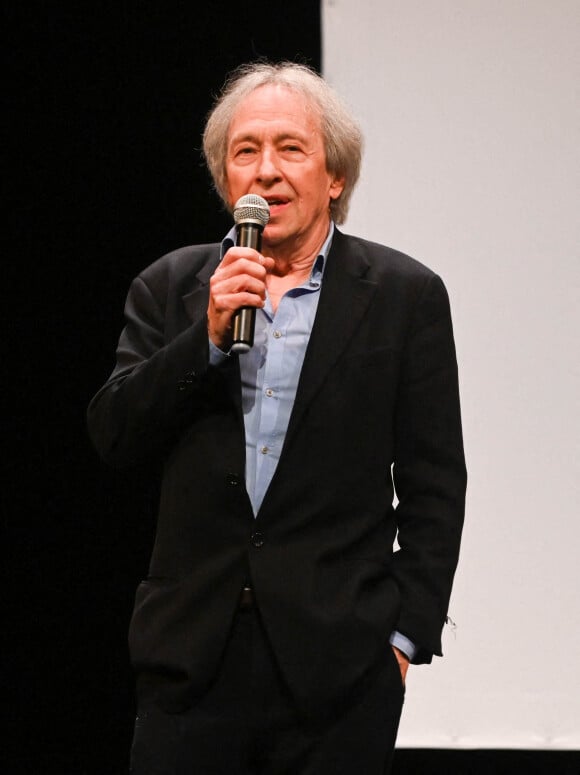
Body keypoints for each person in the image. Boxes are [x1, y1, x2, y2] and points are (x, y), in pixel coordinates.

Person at [88, 61, 466, 774]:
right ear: (225, 179)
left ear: (335, 177)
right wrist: (202, 338)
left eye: (290, 148)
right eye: (246, 151)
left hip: (339, 672)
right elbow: (114, 432)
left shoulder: (403, 297)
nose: (266, 171)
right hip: (189, 663)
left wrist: (404, 640)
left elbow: (434, 487)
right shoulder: (171, 287)